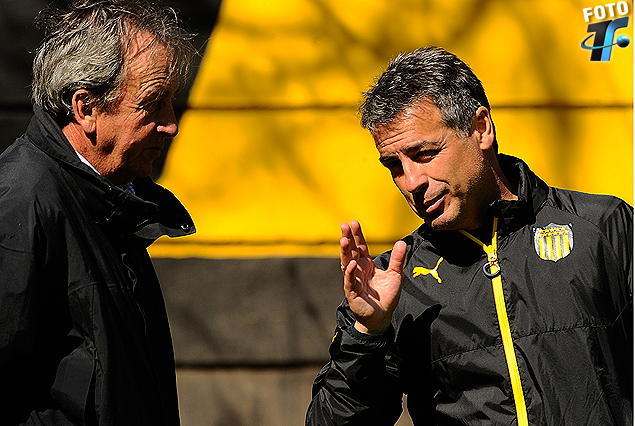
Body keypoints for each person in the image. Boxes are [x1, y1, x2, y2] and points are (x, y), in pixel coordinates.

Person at [306, 46, 632, 425]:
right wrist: (366, 335)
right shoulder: (392, 285)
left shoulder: (603, 226)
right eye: (394, 165)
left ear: (481, 128)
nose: (411, 182)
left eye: (424, 153)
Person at [0, 1, 196, 424]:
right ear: (86, 108)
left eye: (171, 101)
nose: (171, 124)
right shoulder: (20, 203)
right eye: (153, 102)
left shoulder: (110, 199)